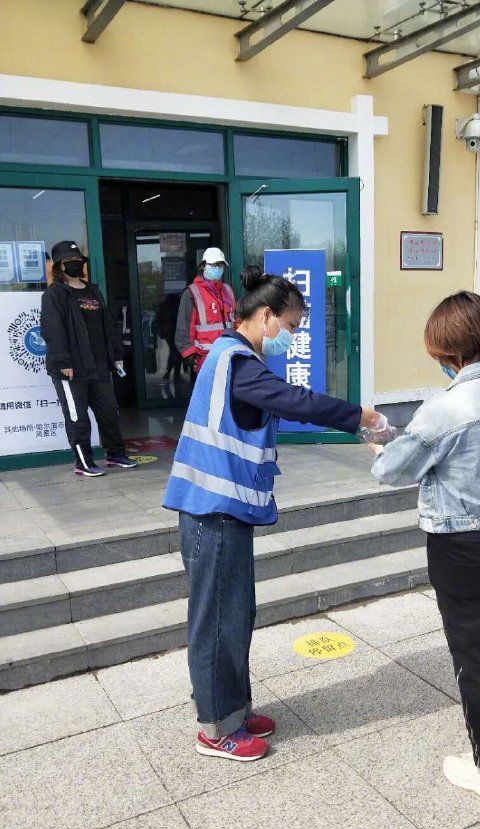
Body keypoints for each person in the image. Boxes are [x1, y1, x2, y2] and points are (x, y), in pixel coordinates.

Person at [163, 265, 386, 763]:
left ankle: (235, 711)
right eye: (290, 325)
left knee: (235, 614)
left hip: (226, 510)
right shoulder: (237, 363)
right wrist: (360, 417)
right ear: (265, 316)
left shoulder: (235, 357)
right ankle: (216, 730)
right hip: (211, 511)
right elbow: (294, 401)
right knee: (217, 620)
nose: (292, 335)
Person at [369, 291, 480, 803]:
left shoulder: (443, 408)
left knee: (475, 657)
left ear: (447, 351)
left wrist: (380, 446)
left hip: (463, 549)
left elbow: (392, 470)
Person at [40, 240, 137, 477]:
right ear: (59, 266)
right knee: (78, 417)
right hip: (72, 368)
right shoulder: (54, 294)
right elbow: (52, 329)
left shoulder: (92, 290)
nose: (75, 264)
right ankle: (83, 462)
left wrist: (116, 356)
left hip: (99, 365)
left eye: (78, 260)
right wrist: (63, 362)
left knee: (109, 412)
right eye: (69, 261)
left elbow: (108, 326)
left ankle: (115, 454)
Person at [175, 247, 235, 377]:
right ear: (203, 266)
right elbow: (183, 328)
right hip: (204, 362)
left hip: (229, 359)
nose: (218, 268)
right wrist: (189, 354)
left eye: (220, 265)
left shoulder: (228, 291)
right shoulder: (191, 293)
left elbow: (236, 323)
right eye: (214, 265)